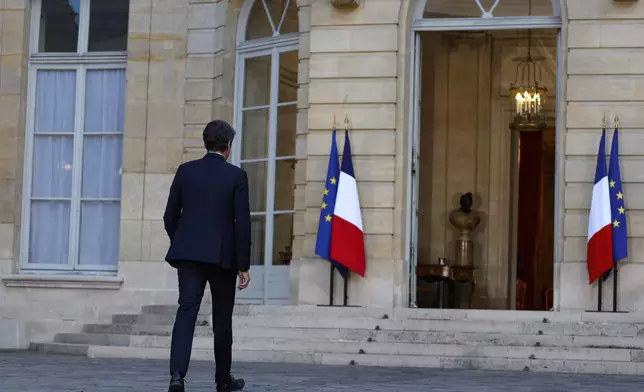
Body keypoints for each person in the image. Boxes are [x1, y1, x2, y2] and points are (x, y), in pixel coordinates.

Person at [163, 120, 251, 392]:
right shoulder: (236, 176)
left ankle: (177, 377)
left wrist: (182, 241)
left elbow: (170, 216)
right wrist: (243, 265)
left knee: (186, 312)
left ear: (206, 143)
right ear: (228, 146)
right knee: (222, 319)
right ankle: (223, 380)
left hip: (188, 255)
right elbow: (243, 224)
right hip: (222, 258)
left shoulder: (185, 171)